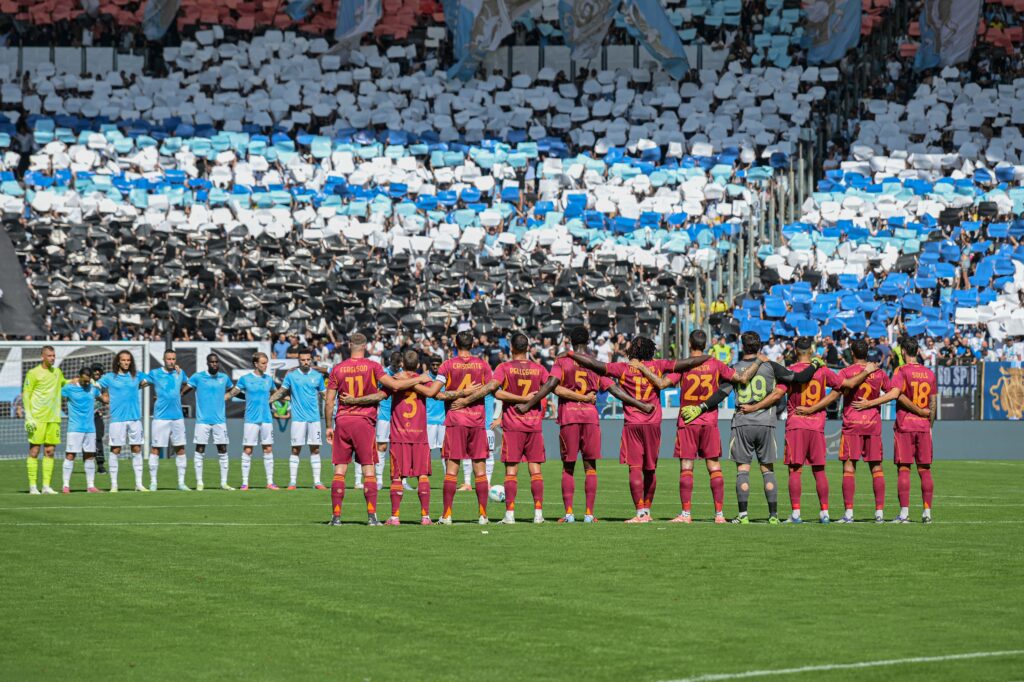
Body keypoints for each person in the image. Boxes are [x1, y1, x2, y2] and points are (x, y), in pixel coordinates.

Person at [518, 326, 653, 523]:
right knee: (590, 467)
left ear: (570, 342)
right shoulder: (594, 364)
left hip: (569, 417)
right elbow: (614, 389)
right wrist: (640, 404)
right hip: (590, 418)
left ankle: (569, 514)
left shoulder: (562, 361)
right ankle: (589, 514)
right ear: (588, 341)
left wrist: (528, 404)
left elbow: (550, 385)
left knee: (568, 468)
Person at [569, 336, 711, 523]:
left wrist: (571, 354)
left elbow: (595, 364)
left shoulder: (622, 368)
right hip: (653, 423)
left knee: (635, 468)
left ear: (632, 351)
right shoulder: (659, 365)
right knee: (650, 469)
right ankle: (647, 511)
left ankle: (640, 513)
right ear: (650, 350)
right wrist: (708, 357)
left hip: (632, 423)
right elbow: (689, 362)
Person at [688, 332, 824, 524]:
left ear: (742, 346)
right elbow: (801, 378)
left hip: (742, 423)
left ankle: (743, 515)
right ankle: (773, 516)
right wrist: (816, 364)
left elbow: (721, 394)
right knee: (767, 470)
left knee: (743, 470)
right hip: (766, 423)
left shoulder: (734, 368)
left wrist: (701, 407)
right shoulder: (771, 366)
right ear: (760, 346)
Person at [632, 330, 764, 524]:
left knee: (687, 467)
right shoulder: (716, 364)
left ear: (689, 343)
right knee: (714, 467)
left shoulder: (684, 365)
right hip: (709, 421)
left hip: (688, 421)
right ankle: (719, 515)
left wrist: (642, 367)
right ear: (706, 344)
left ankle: (686, 514)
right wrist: (759, 361)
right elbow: (743, 378)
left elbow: (660, 383)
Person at [323, 333, 425, 526]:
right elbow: (395, 385)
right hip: (364, 422)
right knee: (368, 469)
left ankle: (336, 517)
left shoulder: (337, 368)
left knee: (340, 469)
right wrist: (419, 379)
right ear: (366, 346)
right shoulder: (373, 366)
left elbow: (329, 402)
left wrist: (329, 426)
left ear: (350, 345)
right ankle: (371, 517)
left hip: (343, 420)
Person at [781, 337, 876, 524]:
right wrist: (866, 371)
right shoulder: (823, 370)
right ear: (812, 350)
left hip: (796, 424)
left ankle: (796, 514)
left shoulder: (790, 370)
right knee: (819, 470)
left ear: (795, 351)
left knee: (795, 470)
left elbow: (778, 392)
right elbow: (843, 387)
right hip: (817, 426)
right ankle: (824, 512)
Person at [803, 340, 893, 523]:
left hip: (852, 424)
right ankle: (879, 513)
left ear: (852, 353)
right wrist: (872, 403)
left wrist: (813, 408)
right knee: (876, 467)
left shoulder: (846, 372)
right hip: (873, 424)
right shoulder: (878, 372)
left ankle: (849, 513)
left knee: (849, 467)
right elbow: (893, 393)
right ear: (867, 353)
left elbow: (834, 395)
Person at [463, 332, 549, 524]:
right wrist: (531, 399)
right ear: (528, 348)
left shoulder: (504, 367)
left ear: (511, 348)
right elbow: (550, 387)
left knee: (511, 470)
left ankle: (510, 515)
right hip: (534, 424)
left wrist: (519, 399)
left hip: (513, 425)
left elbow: (496, 392)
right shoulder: (539, 368)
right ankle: (538, 514)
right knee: (535, 470)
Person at [426, 331, 495, 525]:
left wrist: (459, 396)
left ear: (455, 344)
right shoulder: (483, 365)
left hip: (456, 421)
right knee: (480, 470)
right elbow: (490, 388)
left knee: (452, 469)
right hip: (477, 421)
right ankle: (483, 516)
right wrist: (469, 397)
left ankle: (447, 515)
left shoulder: (447, 365)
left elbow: (434, 393)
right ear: (473, 344)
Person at [877, 337, 936, 523]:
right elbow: (933, 403)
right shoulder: (929, 373)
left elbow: (896, 394)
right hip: (923, 426)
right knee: (924, 469)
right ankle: (927, 512)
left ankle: (904, 513)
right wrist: (929, 425)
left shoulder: (901, 371)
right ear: (917, 351)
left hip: (905, 425)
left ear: (903, 351)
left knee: (904, 468)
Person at [381, 350, 437, 525]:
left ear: (402, 364)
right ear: (418, 365)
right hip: (420, 435)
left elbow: (380, 395)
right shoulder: (425, 380)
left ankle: (395, 517)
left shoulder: (395, 379)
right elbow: (436, 393)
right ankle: (425, 517)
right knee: (423, 475)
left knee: (397, 476)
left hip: (399, 435)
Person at [270, 349, 326, 490]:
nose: (306, 362)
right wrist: (268, 401)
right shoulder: (292, 376)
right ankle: (292, 482)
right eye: (303, 360)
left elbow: (325, 395)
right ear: (298, 361)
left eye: (308, 359)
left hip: (314, 419)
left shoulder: (317, 376)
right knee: (295, 450)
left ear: (311, 360)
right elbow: (281, 392)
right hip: (298, 419)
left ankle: (317, 482)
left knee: (315, 450)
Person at [97, 351, 150, 493]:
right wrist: (102, 398)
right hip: (117, 419)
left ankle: (139, 484)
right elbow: (95, 386)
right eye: (123, 360)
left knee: (137, 449)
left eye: (128, 360)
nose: (126, 362)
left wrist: (174, 369)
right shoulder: (109, 377)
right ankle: (114, 485)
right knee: (115, 450)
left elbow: (152, 379)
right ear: (118, 361)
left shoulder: (137, 375)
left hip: (134, 418)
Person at [183, 354, 234, 491]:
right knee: (200, 450)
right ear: (207, 363)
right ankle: (200, 483)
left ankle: (224, 483)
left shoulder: (224, 378)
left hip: (220, 421)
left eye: (216, 362)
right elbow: (183, 392)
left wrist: (248, 396)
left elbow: (234, 391)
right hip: (202, 421)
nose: (214, 364)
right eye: (212, 362)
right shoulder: (197, 377)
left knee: (223, 450)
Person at [229, 352, 279, 491]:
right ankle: (245, 483)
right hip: (251, 419)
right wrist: (223, 397)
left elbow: (276, 393)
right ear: (256, 364)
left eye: (266, 363)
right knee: (248, 449)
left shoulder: (269, 379)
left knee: (268, 449)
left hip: (266, 419)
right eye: (263, 363)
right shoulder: (245, 379)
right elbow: (234, 392)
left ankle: (270, 482)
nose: (265, 365)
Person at [23, 345, 66, 495]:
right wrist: (29, 417)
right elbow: (26, 394)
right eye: (49, 356)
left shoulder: (57, 372)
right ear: (42, 356)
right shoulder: (33, 373)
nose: (52, 358)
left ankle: (46, 486)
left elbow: (65, 383)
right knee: (34, 451)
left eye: (54, 355)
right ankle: (33, 486)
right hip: (37, 418)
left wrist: (79, 380)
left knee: (50, 451)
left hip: (53, 418)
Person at [146, 348, 190, 491]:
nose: (171, 362)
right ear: (163, 360)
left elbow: (189, 384)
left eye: (173, 359)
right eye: (168, 359)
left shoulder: (180, 373)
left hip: (177, 417)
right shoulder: (155, 373)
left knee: (180, 448)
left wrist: (180, 393)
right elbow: (142, 383)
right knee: (155, 448)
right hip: (160, 417)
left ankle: (181, 483)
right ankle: (153, 483)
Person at [357, 350, 401, 491]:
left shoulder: (404, 374)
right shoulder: (382, 373)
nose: (396, 367)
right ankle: (380, 480)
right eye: (394, 364)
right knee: (381, 447)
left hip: (400, 415)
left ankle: (400, 479)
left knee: (399, 448)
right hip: (384, 415)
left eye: (398, 364)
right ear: (390, 362)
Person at [60, 368, 103, 493]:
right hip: (75, 428)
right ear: (79, 377)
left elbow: (104, 399)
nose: (86, 383)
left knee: (90, 456)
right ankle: (66, 486)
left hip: (90, 428)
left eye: (88, 381)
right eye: (84, 381)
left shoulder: (93, 389)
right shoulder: (69, 388)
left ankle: (90, 486)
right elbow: (57, 396)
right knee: (70, 455)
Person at [425, 356, 446, 459]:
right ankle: (425, 470)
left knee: (445, 451)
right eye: (433, 365)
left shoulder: (446, 378)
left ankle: (447, 470)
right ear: (429, 365)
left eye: (437, 365)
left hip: (444, 420)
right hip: (429, 420)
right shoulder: (424, 379)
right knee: (426, 450)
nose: (435, 367)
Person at [90, 364, 107, 474]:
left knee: (98, 438)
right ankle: (88, 462)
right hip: (84, 417)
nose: (97, 372)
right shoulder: (87, 382)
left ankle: (100, 465)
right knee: (86, 440)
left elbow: (106, 398)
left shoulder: (103, 384)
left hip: (97, 415)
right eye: (95, 370)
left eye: (99, 371)